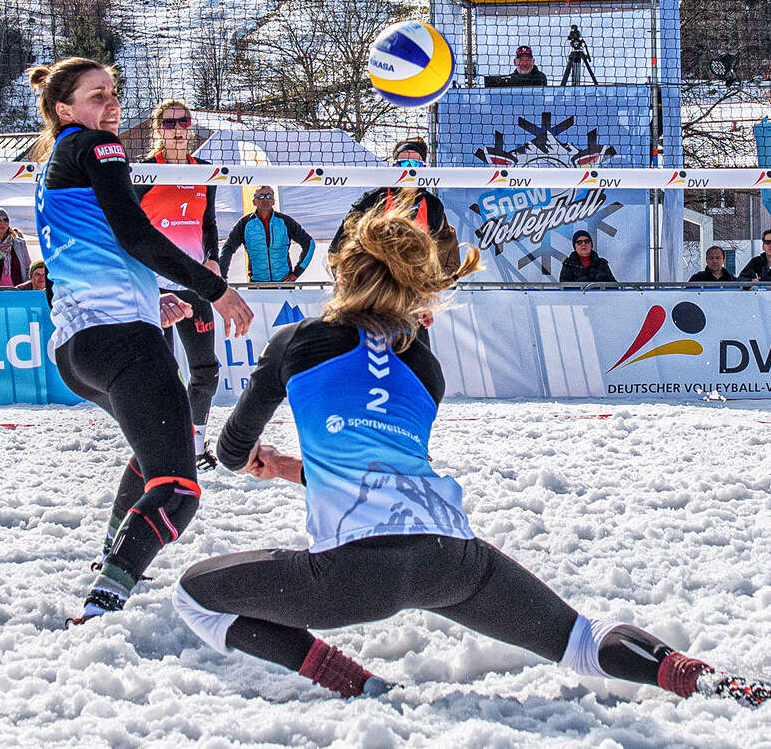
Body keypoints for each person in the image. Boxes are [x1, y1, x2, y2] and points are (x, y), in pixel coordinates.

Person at [173, 204, 769, 707]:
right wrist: (291, 469)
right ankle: (713, 682)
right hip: (452, 559)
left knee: (193, 595)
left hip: (351, 575)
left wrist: (257, 456)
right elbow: (385, 467)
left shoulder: (296, 343)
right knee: (582, 640)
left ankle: (360, 685)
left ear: (343, 276)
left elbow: (228, 455)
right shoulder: (425, 368)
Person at [28, 56, 253, 624]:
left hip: (79, 351)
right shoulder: (96, 147)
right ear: (64, 109)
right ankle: (102, 605)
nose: (110, 104)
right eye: (95, 95)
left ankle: (113, 557)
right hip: (123, 343)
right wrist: (215, 288)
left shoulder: (56, 161)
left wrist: (146, 301)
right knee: (179, 491)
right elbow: (134, 234)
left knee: (154, 452)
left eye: (112, 93)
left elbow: (73, 260)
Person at [136, 99, 222, 470]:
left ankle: (197, 445)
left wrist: (213, 258)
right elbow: (129, 229)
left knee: (206, 371)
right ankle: (165, 450)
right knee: (163, 375)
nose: (177, 128)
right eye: (169, 123)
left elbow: (208, 225)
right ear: (158, 129)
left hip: (194, 285)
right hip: (154, 288)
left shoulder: (203, 172)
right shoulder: (142, 172)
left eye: (183, 121)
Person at [328, 136, 460, 346]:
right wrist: (349, 294)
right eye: (403, 163)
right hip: (372, 298)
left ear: (424, 167)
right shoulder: (373, 200)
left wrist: (425, 300)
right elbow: (338, 249)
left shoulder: (433, 206)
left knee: (417, 370)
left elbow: (440, 260)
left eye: (415, 163)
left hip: (410, 304)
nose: (409, 169)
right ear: (394, 166)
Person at [218, 185, 314, 283]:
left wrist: (297, 273)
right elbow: (228, 248)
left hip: (285, 285)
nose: (265, 199)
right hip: (257, 285)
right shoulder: (244, 223)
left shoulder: (285, 221)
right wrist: (222, 277)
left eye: (269, 196)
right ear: (254, 202)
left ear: (273, 201)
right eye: (261, 196)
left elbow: (309, 243)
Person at [0, 207, 31, 287]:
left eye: (5, 220)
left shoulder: (19, 243)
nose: (2, 223)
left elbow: (28, 268)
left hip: (17, 292)